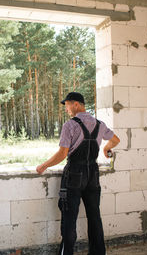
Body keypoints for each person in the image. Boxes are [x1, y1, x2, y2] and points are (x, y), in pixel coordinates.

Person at [36, 92, 120, 255]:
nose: (66, 108)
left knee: (69, 218)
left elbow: (62, 154)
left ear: (76, 104)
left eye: (67, 104)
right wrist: (105, 148)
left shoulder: (70, 125)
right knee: (95, 216)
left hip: (74, 174)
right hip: (93, 174)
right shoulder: (99, 124)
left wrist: (43, 166)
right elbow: (116, 140)